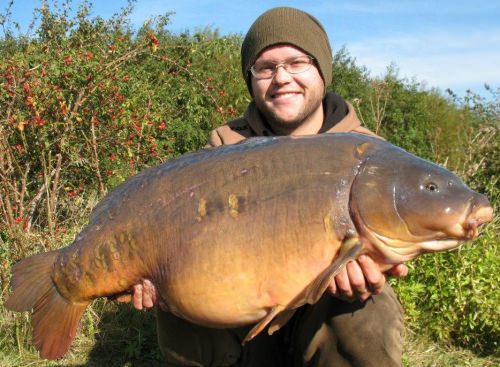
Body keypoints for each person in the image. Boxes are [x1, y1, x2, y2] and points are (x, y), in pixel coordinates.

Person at [122, 7, 408, 367]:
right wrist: (156, 272)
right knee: (182, 302)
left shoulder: (368, 153)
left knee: (368, 310)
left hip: (324, 307)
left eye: (297, 62)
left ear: (322, 69)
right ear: (251, 78)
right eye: (266, 68)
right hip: (241, 303)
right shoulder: (224, 147)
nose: (282, 78)